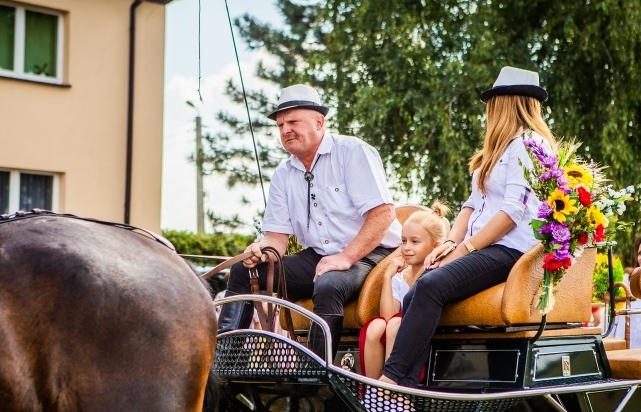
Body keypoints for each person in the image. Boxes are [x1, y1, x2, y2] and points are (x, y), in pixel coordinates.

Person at [380, 66, 552, 388]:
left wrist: (465, 249)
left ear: (506, 103)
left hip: (509, 250)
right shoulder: (496, 151)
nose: (488, 111)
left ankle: (393, 381)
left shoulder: (531, 145)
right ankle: (420, 387)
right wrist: (450, 242)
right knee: (415, 292)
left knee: (430, 286)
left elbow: (511, 213)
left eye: (492, 103)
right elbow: (471, 205)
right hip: (483, 245)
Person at [216, 84, 401, 361]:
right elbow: (276, 238)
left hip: (373, 253)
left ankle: (313, 371)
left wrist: (346, 257)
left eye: (293, 121)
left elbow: (382, 215)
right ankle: (224, 362)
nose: (285, 130)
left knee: (327, 284)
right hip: (320, 256)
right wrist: (260, 250)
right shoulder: (283, 174)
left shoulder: (352, 152)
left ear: (319, 122)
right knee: (244, 271)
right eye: (280, 125)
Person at [359, 203, 450, 379]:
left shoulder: (436, 276)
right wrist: (388, 277)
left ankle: (393, 390)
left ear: (435, 246)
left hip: (414, 340)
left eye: (414, 242)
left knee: (396, 324)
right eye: (403, 241)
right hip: (394, 331)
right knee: (377, 325)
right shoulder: (400, 277)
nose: (406, 247)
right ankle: (373, 391)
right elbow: (388, 316)